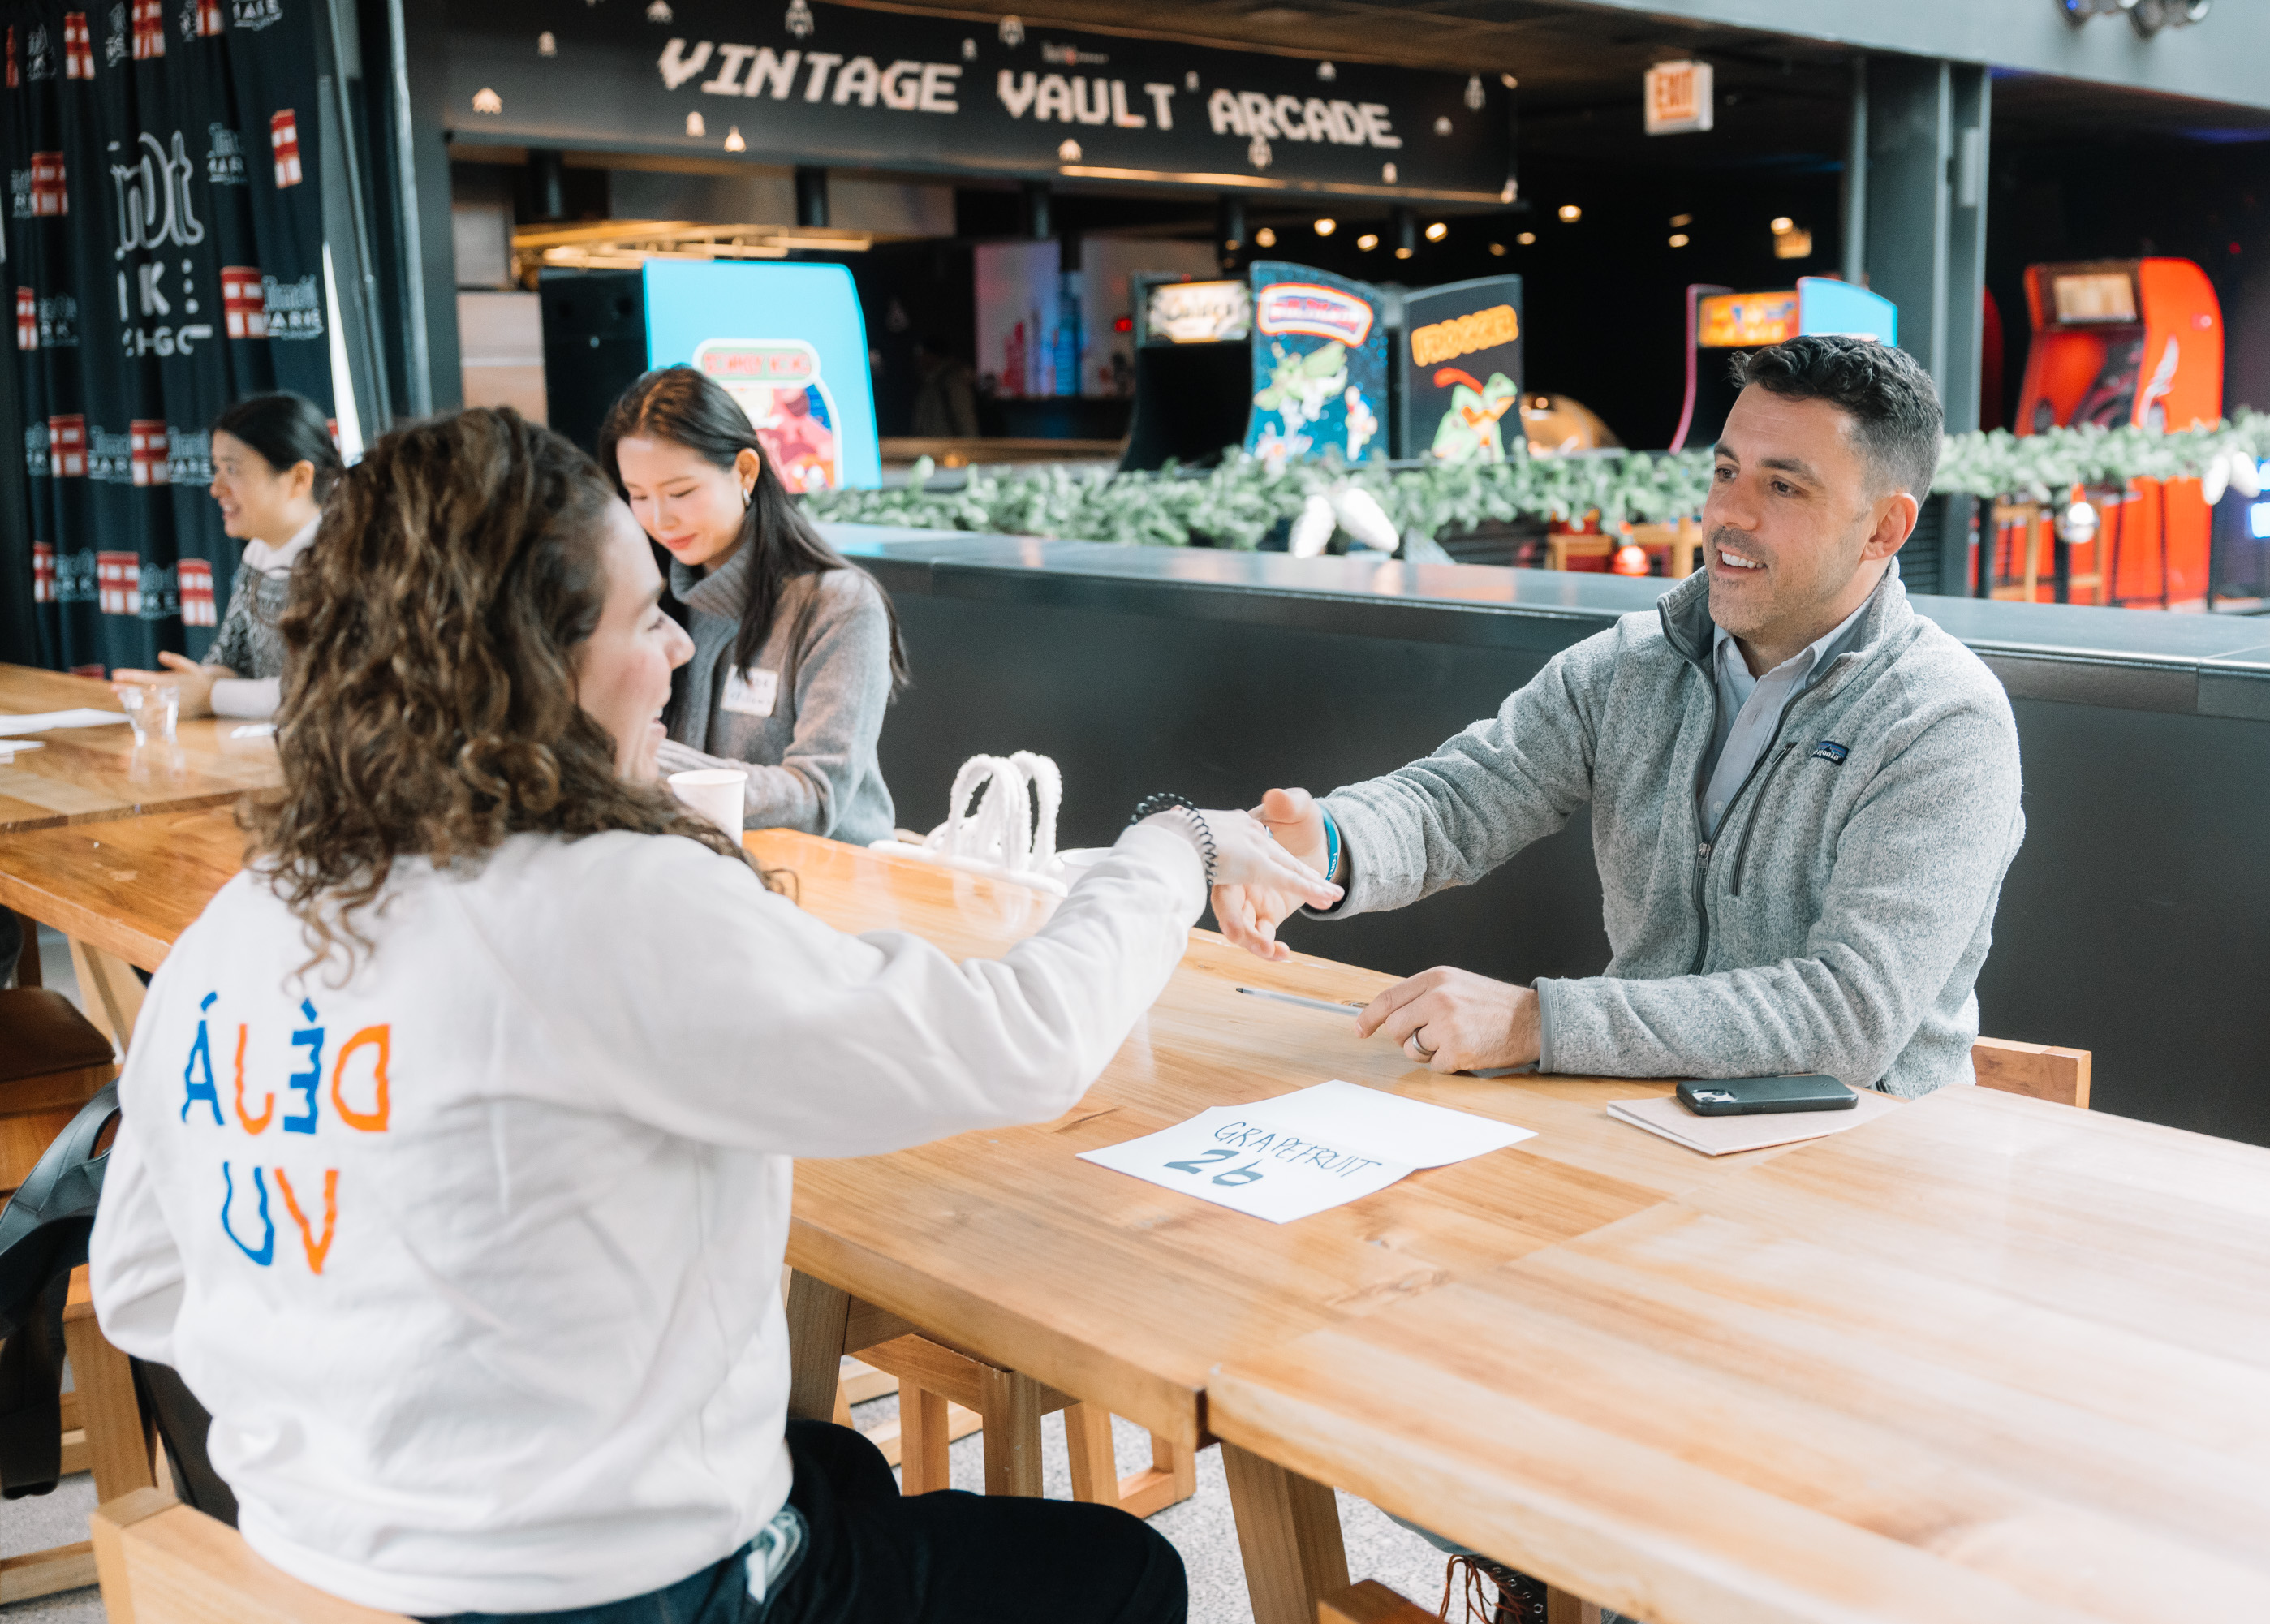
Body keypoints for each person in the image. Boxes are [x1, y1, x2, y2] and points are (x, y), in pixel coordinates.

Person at [85, 406, 1337, 1623]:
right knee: (1121, 1573)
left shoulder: (241, 920)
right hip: (608, 1594)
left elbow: (141, 1288)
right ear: (533, 666)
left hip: (297, 1564)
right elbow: (1026, 1041)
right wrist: (1173, 849)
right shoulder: (608, 898)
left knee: (832, 1466)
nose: (679, 651)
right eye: (644, 619)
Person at [1229, 334, 2026, 1096]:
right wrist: (1327, 845)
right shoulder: (1632, 664)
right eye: (1726, 471)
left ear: (1885, 528)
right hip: (1644, 1113)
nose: (1730, 513)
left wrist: (1540, 1022)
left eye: (1783, 487)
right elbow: (1459, 801)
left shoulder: (1943, 720)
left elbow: (1847, 1016)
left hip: (1863, 1147)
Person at [600, 367, 903, 844]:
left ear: (745, 471)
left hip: (830, 873)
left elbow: (815, 796)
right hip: (702, 864)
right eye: (638, 496)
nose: (660, 518)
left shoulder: (838, 605)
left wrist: (645, 755)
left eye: (681, 492)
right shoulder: (651, 602)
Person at [111, 392, 342, 719]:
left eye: (232, 469)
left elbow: (322, 690)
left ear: (299, 478)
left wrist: (210, 695)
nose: (216, 488)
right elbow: (233, 659)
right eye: (217, 469)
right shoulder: (259, 551)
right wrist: (187, 686)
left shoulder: (344, 558)